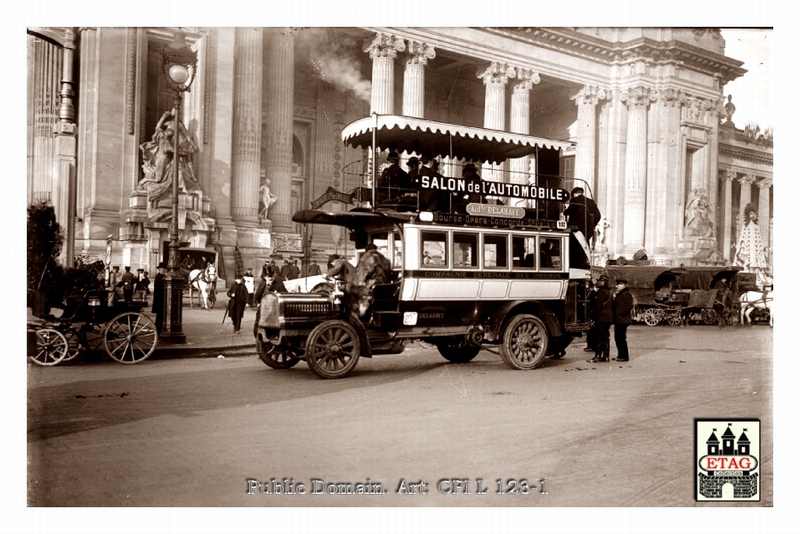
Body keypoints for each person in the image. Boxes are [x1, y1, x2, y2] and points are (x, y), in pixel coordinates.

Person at [252, 266, 288, 337]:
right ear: (265, 277)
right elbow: (256, 296)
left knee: (270, 328)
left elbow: (285, 295)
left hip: (273, 310)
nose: (271, 278)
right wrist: (257, 303)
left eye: (271, 276)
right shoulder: (262, 284)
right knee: (258, 325)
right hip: (262, 309)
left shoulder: (279, 284)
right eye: (268, 277)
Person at [734, 203, 767, 272]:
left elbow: (759, 243)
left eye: (754, 213)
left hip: (755, 260)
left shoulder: (756, 227)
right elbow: (741, 241)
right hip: (745, 257)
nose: (753, 215)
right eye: (751, 214)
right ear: (748, 214)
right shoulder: (745, 227)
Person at [587, 275, 613, 363]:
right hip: (608, 318)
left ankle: (597, 356)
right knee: (606, 337)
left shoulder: (601, 292)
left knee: (599, 337)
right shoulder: (610, 292)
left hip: (601, 317)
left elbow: (598, 307)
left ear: (603, 282)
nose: (597, 282)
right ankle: (606, 356)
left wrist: (593, 318)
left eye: (599, 281)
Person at [611, 277, 633, 362]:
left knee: (620, 338)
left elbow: (629, 306)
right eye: (617, 284)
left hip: (622, 319)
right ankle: (620, 354)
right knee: (618, 338)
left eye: (619, 284)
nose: (617, 286)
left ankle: (624, 356)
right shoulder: (620, 293)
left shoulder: (626, 294)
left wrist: (620, 313)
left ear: (624, 285)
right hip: (619, 319)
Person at [152, 263, 166, 334]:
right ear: (160, 269)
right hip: (159, 299)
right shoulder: (159, 277)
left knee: (160, 315)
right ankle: (158, 329)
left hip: (160, 299)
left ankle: (158, 328)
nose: (164, 270)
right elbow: (160, 288)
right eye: (163, 269)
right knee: (160, 315)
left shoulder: (161, 276)